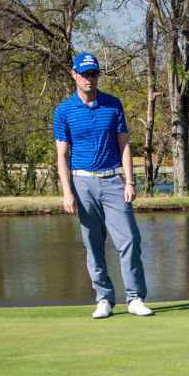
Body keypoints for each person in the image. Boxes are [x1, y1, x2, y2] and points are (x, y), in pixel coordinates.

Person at [54, 52, 152, 318]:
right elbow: (62, 155)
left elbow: (124, 145)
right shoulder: (63, 110)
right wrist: (67, 192)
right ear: (74, 74)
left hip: (113, 180)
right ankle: (104, 299)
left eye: (94, 73)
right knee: (93, 244)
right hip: (82, 181)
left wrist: (130, 181)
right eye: (84, 74)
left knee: (130, 238)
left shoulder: (113, 104)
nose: (90, 78)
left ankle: (134, 298)